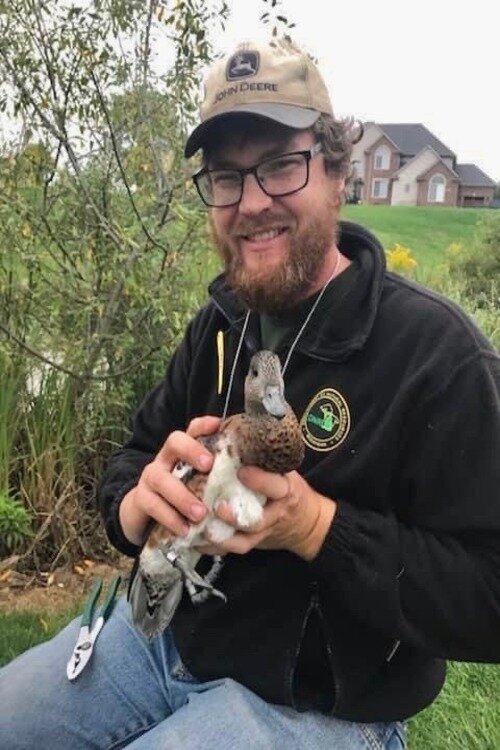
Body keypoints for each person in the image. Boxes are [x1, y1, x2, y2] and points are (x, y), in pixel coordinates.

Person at [1, 37, 499, 750]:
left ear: (336, 170)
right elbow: (135, 456)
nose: (252, 202)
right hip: (162, 646)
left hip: (320, 708)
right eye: (227, 177)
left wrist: (317, 528)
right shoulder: (220, 326)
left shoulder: (435, 356)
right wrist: (135, 504)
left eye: (279, 165)